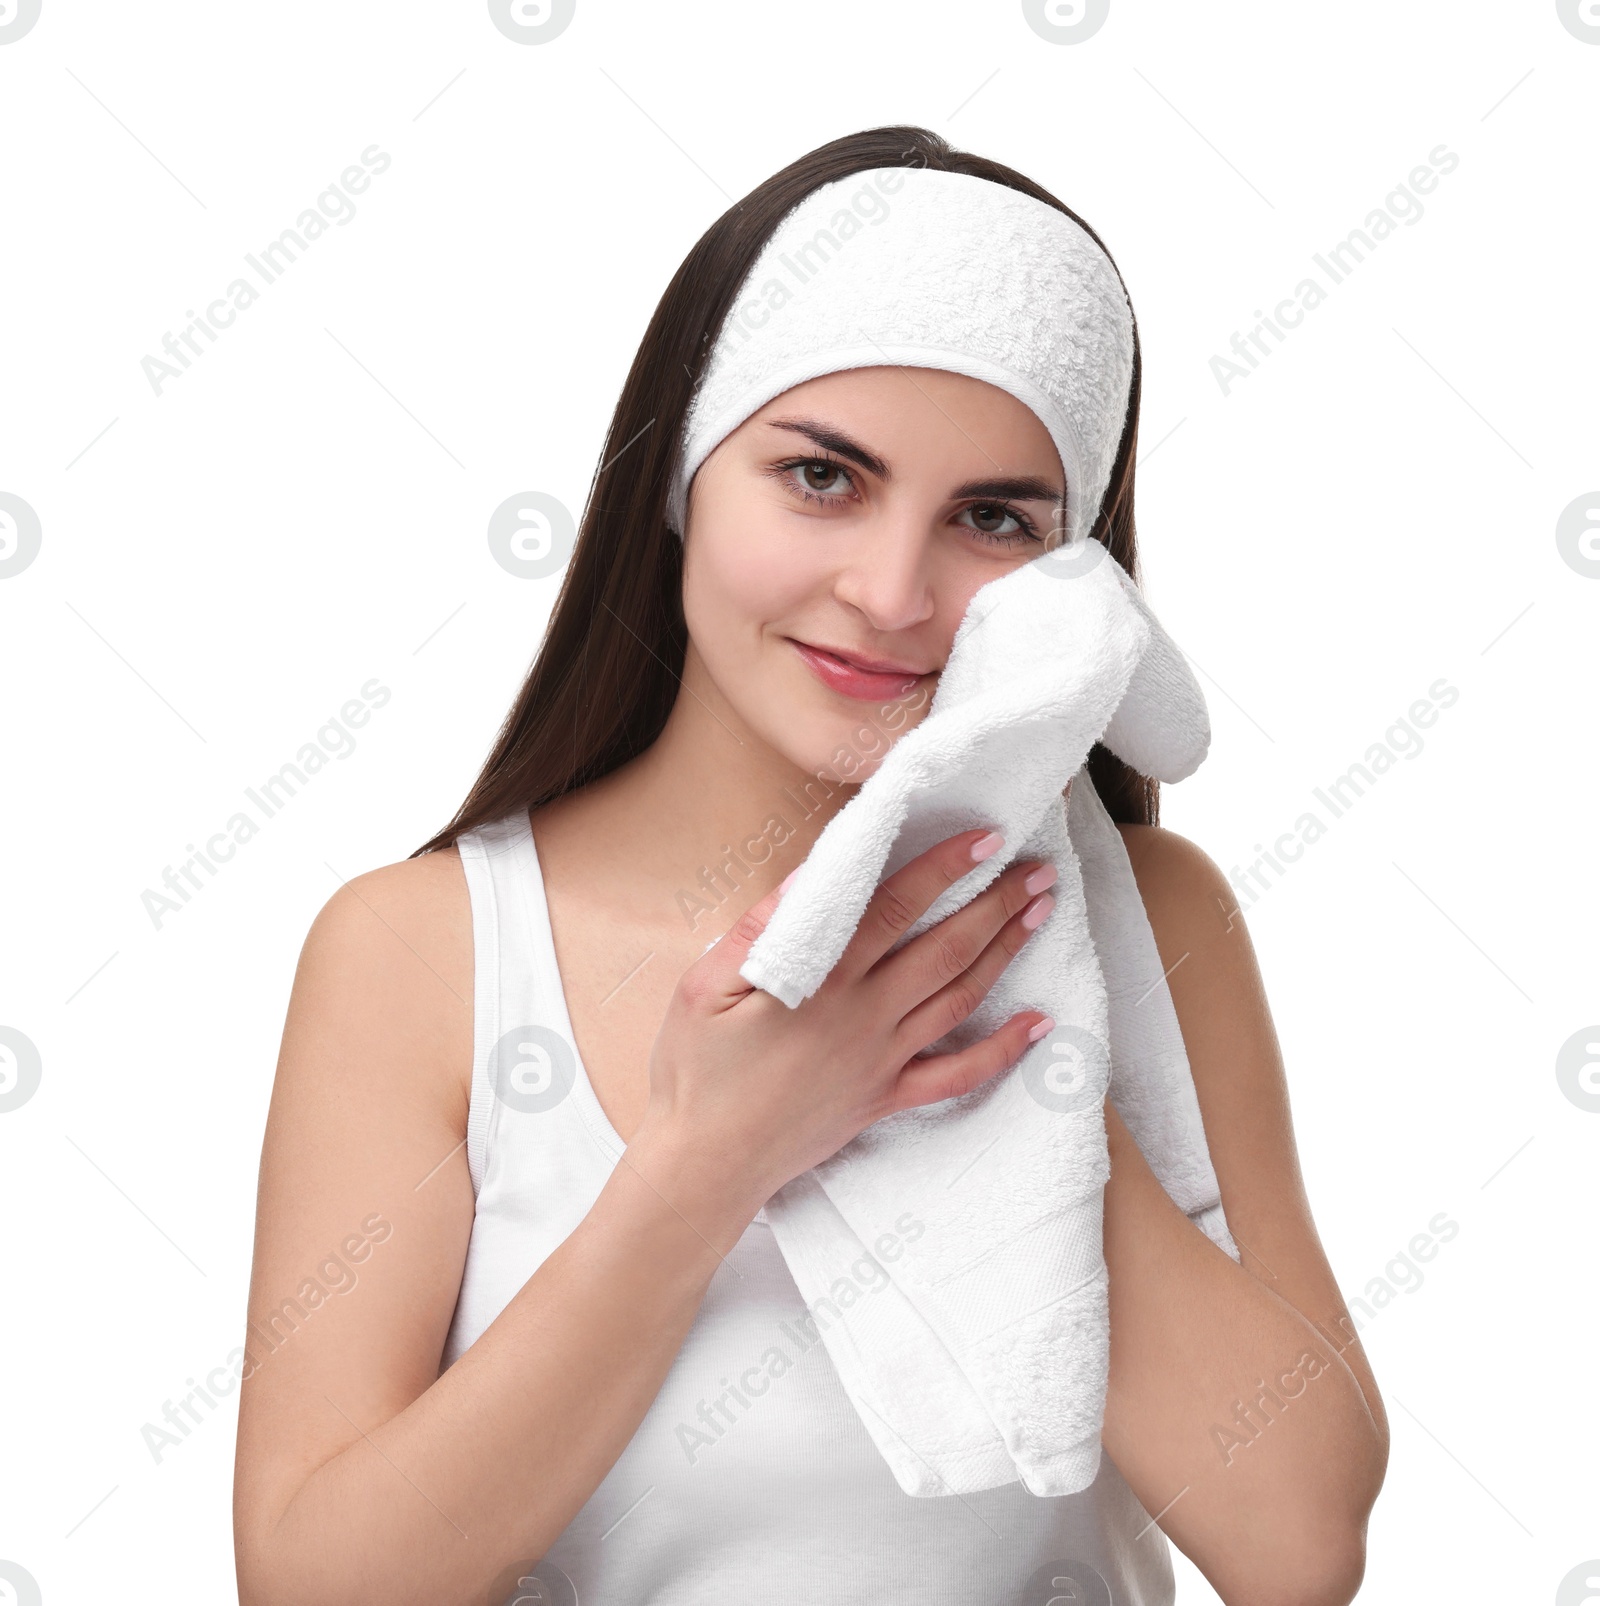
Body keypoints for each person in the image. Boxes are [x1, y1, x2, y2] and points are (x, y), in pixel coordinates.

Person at [232, 126, 1388, 1606]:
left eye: (992, 519)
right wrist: (713, 1159)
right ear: (684, 476)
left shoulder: (1151, 923)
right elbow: (318, 1587)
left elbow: (1300, 1550)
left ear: (1074, 581)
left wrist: (1011, 1038)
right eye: (823, 477)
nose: (893, 592)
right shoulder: (424, 947)